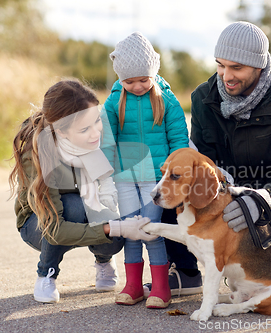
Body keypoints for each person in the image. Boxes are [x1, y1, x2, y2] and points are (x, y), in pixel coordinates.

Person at [9, 79, 156, 304]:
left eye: (96, 121)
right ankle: (46, 274)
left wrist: (113, 218)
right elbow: (55, 229)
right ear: (62, 131)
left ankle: (103, 260)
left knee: (114, 235)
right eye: (85, 129)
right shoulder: (39, 153)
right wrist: (113, 226)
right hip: (39, 225)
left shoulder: (90, 145)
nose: (96, 132)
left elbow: (106, 183)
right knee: (74, 208)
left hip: (82, 209)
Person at [189, 21, 271, 255]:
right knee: (170, 198)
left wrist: (263, 199)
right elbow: (204, 165)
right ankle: (188, 274)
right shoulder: (203, 98)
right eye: (220, 65)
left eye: (236, 68)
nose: (226, 76)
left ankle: (269, 269)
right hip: (227, 190)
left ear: (259, 65)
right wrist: (227, 196)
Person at [101, 32, 189, 309]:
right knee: (131, 230)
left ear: (153, 74)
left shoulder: (168, 101)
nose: (137, 86)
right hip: (125, 178)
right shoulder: (114, 102)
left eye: (143, 79)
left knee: (150, 230)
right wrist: (104, 177)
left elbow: (178, 141)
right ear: (120, 78)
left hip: (155, 179)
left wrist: (177, 176)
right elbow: (106, 142)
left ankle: (161, 286)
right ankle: (133, 285)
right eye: (129, 81)